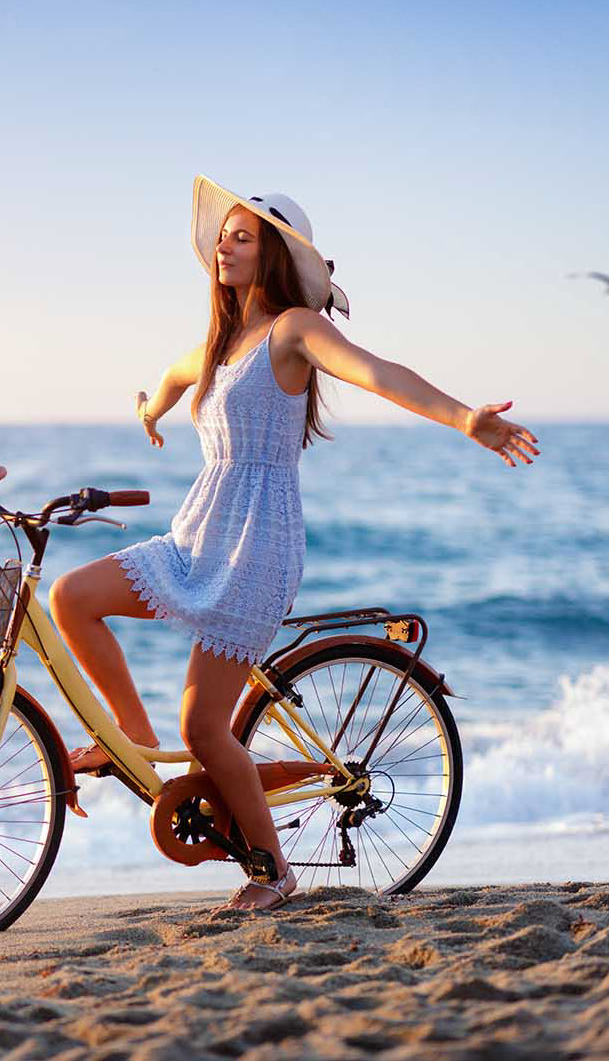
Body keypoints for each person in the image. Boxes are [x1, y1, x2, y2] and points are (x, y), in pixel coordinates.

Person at [48, 175, 540, 911]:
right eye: (225, 234)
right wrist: (150, 410)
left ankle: (273, 873)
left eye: (243, 237)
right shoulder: (217, 343)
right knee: (70, 596)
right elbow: (172, 380)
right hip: (196, 533)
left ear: (273, 256)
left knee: (205, 724)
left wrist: (465, 416)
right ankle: (137, 747)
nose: (225, 244)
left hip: (255, 545)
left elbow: (379, 374)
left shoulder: (294, 331)